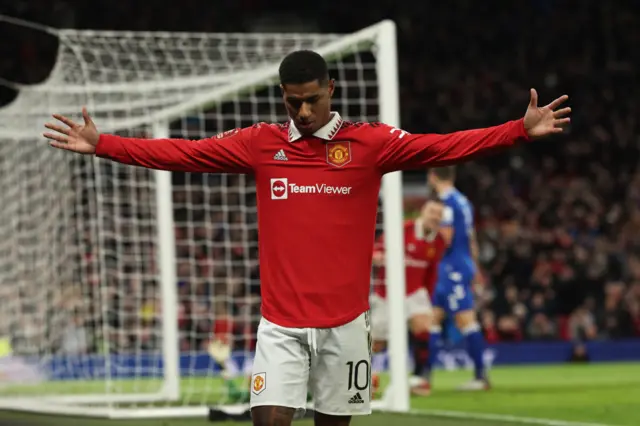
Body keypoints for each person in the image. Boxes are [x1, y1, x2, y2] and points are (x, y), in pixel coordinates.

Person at [43, 50, 570, 426]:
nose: (302, 111)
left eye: (311, 100)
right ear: (283, 96)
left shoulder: (371, 144)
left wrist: (517, 131)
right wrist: (106, 143)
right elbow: (184, 154)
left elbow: (444, 147)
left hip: (345, 326)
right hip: (280, 325)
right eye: (293, 101)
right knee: (269, 420)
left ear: (331, 91)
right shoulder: (259, 143)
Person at [370, 197, 446, 397]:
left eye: (439, 214)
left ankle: (420, 378)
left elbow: (431, 272)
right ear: (423, 211)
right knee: (377, 343)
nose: (435, 217)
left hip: (414, 291)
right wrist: (377, 256)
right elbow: (376, 250)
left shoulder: (439, 241)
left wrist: (429, 298)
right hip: (387, 292)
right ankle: (365, 376)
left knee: (425, 325)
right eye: (432, 212)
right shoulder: (402, 229)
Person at [425, 166, 488, 392]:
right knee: (432, 318)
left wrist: (425, 238)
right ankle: (424, 376)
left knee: (465, 319)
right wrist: (475, 267)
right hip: (458, 265)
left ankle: (481, 377)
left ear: (433, 177)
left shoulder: (446, 203)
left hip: (451, 267)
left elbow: (447, 237)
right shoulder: (463, 201)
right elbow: (471, 239)